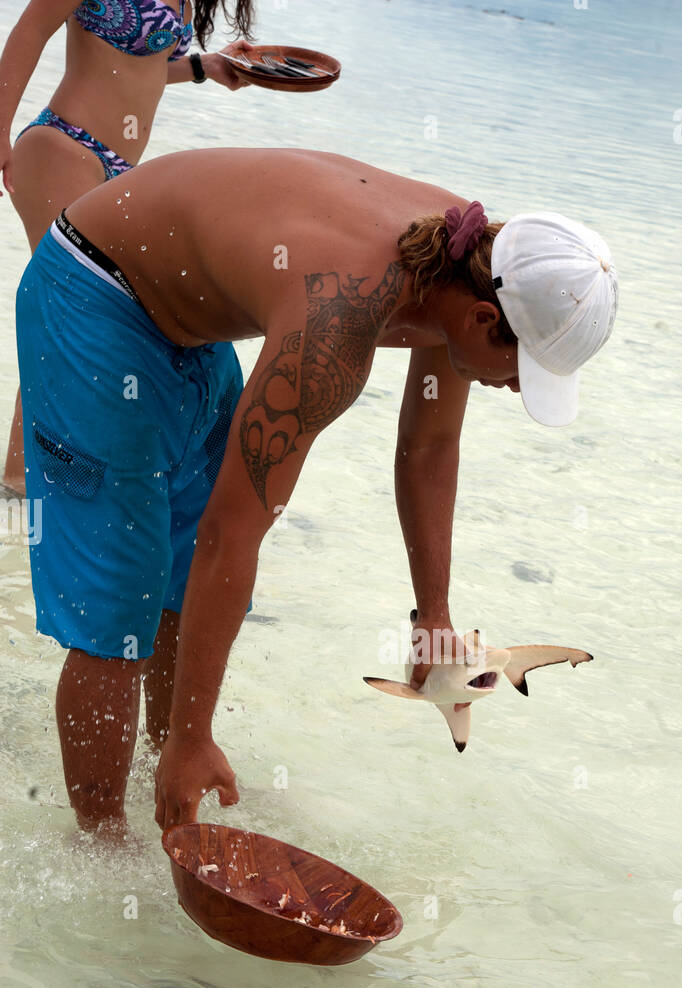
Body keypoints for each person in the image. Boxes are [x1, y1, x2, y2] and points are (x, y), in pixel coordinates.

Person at [14, 147, 618, 836]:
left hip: (185, 312)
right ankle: (101, 845)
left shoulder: (468, 257)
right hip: (94, 293)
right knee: (120, 604)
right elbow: (231, 536)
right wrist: (196, 736)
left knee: (179, 578)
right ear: (484, 321)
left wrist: (434, 618)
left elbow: (427, 448)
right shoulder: (335, 325)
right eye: (523, 373)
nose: (515, 390)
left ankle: (171, 765)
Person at [0, 0, 255, 493]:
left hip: (119, 171)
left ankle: (45, 484)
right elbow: (30, 30)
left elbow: (144, 65)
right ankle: (19, 491)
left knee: (97, 328)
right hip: (61, 148)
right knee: (73, 323)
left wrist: (207, 66)